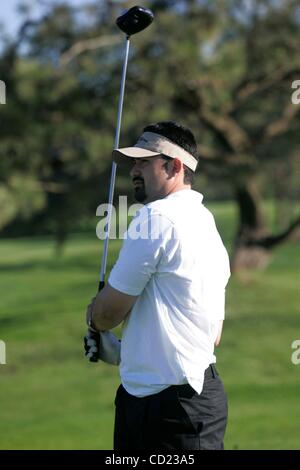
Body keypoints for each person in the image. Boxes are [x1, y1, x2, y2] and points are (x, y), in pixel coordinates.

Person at [85, 121, 231, 450]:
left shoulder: (155, 219)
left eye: (144, 161)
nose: (134, 170)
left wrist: (93, 319)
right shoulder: (207, 223)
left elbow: (107, 314)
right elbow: (212, 334)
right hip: (189, 401)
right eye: (133, 162)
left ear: (175, 166)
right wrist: (127, 352)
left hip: (167, 410)